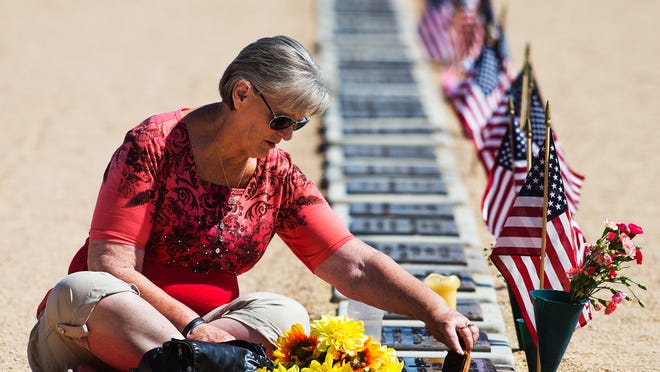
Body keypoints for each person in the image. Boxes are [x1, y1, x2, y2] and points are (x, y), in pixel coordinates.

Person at [27, 35, 479, 371]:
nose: (285, 136)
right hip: (98, 330)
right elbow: (112, 265)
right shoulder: (153, 145)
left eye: (297, 125)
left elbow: (351, 262)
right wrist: (191, 330)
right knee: (84, 288)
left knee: (287, 315)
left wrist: (433, 309)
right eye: (280, 119)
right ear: (241, 93)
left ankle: (194, 365)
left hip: (208, 340)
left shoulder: (276, 173)